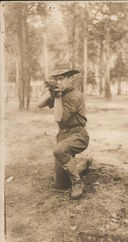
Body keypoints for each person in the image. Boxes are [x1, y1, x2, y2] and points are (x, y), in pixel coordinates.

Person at [38, 66, 90, 200]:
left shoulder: (75, 95)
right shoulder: (60, 92)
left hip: (78, 135)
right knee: (60, 184)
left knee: (59, 150)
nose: (58, 82)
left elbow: (59, 118)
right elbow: (39, 104)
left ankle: (78, 183)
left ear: (70, 79)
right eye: (56, 80)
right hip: (63, 136)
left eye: (61, 79)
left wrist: (57, 97)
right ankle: (82, 166)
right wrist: (51, 91)